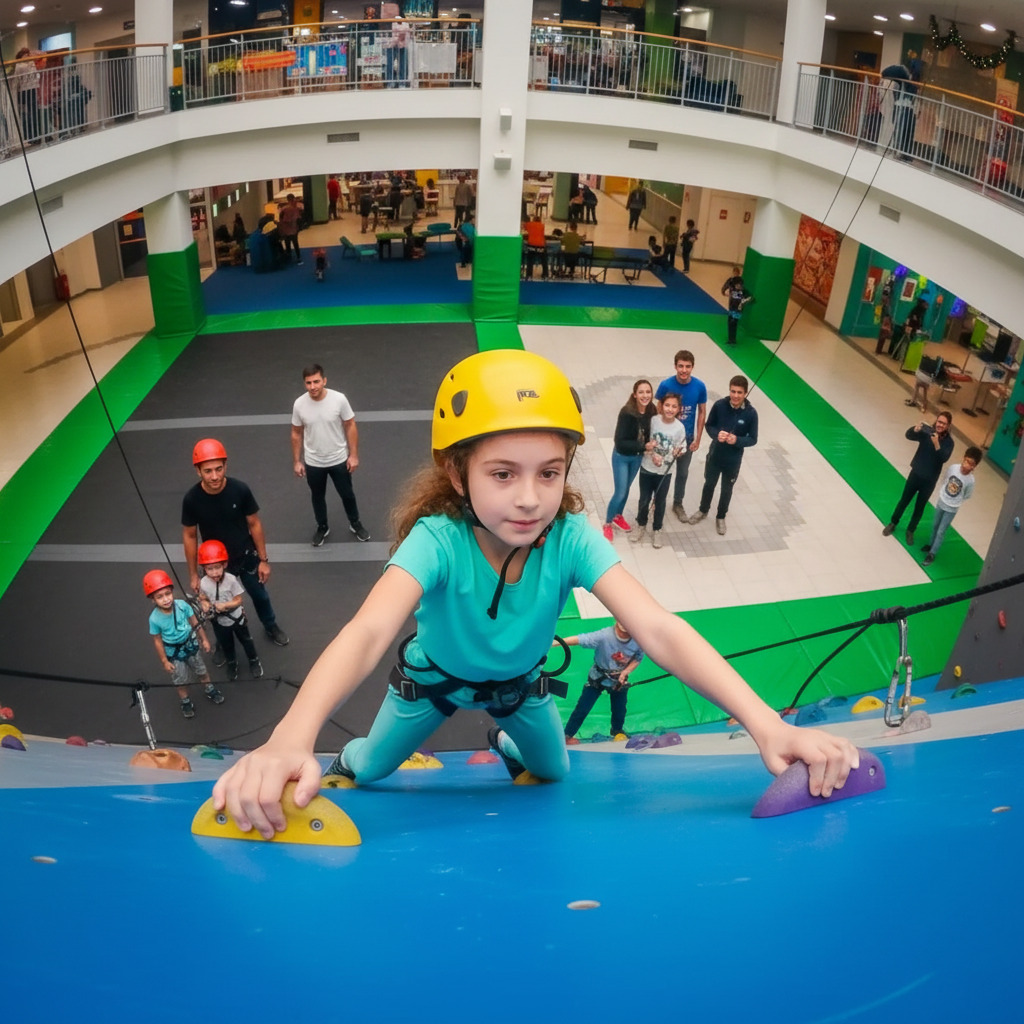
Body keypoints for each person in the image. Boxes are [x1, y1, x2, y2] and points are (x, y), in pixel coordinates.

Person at [211, 350, 857, 839]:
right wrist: (292, 738)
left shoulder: (570, 538)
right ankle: (351, 758)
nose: (529, 498)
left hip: (520, 691)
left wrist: (767, 725)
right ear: (454, 471)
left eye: (549, 473)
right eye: (502, 474)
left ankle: (504, 741)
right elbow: (368, 633)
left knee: (554, 770)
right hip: (430, 688)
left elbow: (658, 628)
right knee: (370, 767)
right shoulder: (437, 540)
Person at [182, 438, 290, 648]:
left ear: (225, 466)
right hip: (215, 564)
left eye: (218, 469)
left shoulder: (240, 490)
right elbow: (190, 536)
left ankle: (270, 625)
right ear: (198, 471)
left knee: (260, 596)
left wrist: (263, 560)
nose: (215, 476)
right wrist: (194, 574)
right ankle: (223, 643)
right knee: (214, 605)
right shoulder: (192, 499)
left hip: (245, 556)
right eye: (208, 471)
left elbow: (254, 523)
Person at [291, 364, 371, 547]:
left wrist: (354, 455)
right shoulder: (299, 404)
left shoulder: (339, 399)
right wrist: (296, 461)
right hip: (313, 462)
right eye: (309, 383)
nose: (313, 386)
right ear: (304, 384)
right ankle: (322, 527)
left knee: (347, 494)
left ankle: (355, 523)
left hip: (339, 459)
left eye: (316, 381)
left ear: (324, 381)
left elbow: (350, 425)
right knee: (317, 497)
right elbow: (296, 432)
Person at [143, 568, 222, 719]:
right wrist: (164, 661)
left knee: (201, 670)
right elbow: (157, 640)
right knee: (180, 680)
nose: (166, 599)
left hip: (190, 645)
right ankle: (185, 700)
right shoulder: (154, 619)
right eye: (160, 597)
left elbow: (195, 623)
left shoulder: (182, 606)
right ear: (153, 599)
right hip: (174, 653)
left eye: (168, 594)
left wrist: (204, 639)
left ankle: (209, 688)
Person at [689, 375, 758, 536]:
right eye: (733, 391)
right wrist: (716, 434)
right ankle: (703, 510)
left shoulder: (751, 414)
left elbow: (753, 439)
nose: (735, 395)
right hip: (715, 455)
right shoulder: (720, 405)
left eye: (739, 392)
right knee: (709, 484)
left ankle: (721, 516)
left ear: (746, 393)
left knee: (727, 489)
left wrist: (737, 440)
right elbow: (709, 425)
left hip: (733, 460)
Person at [563, 622, 644, 743]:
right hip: (597, 677)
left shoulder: (639, 640)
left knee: (620, 709)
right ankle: (567, 735)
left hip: (619, 680)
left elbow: (638, 658)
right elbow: (579, 639)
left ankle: (617, 730)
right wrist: (552, 643)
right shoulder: (604, 636)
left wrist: (626, 672)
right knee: (583, 708)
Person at [882, 411, 954, 546]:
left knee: (919, 507)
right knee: (904, 500)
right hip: (915, 474)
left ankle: (911, 530)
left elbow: (944, 458)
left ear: (948, 426)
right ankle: (893, 523)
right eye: (939, 422)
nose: (940, 425)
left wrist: (937, 444)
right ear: (936, 421)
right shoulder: (928, 432)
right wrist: (915, 430)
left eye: (944, 424)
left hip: (929, 481)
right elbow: (908, 435)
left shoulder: (949, 443)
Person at [197, 540, 263, 682]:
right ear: (204, 569)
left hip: (236, 618)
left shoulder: (231, 580)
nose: (214, 572)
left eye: (217, 567)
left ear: (225, 565)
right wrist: (204, 604)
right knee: (226, 644)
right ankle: (232, 663)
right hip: (219, 621)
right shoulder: (203, 583)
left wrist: (226, 605)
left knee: (246, 640)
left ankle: (254, 660)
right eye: (209, 569)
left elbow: (239, 600)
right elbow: (202, 597)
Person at [655, 350, 707, 524]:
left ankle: (678, 503)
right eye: (681, 366)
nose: (684, 370)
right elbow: (658, 408)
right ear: (675, 366)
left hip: (687, 439)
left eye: (688, 366)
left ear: (693, 367)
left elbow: (702, 412)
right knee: (662, 470)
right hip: (667, 439)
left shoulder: (699, 386)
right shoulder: (665, 385)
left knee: (682, 473)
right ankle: (657, 500)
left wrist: (698, 439)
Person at [630, 392, 687, 549]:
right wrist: (651, 453)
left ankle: (657, 528)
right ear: (661, 406)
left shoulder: (679, 428)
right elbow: (644, 440)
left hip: (665, 472)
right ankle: (641, 524)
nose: (670, 409)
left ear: (679, 409)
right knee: (644, 499)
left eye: (674, 406)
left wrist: (678, 452)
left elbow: (682, 447)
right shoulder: (653, 420)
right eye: (667, 405)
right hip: (647, 468)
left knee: (660, 501)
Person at [603, 378, 654, 541]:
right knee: (620, 492)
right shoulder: (627, 413)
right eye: (641, 392)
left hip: (637, 458)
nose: (645, 395)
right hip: (622, 457)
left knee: (626, 489)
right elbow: (619, 442)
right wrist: (644, 446)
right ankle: (607, 523)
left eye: (648, 392)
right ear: (634, 395)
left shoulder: (651, 410)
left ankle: (618, 516)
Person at [922, 447, 981, 567]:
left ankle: (932, 553)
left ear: (974, 466)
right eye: (966, 461)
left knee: (941, 531)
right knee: (935, 525)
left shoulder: (970, 481)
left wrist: (955, 501)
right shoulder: (953, 468)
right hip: (942, 501)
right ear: (963, 458)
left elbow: (967, 495)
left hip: (952, 508)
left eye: (971, 464)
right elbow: (945, 479)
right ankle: (931, 544)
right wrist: (944, 495)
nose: (966, 465)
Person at [721, 266, 754, 345]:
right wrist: (724, 292)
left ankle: (733, 339)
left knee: (734, 323)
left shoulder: (743, 290)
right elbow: (725, 287)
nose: (738, 286)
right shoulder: (731, 283)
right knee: (730, 323)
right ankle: (730, 339)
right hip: (732, 307)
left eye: (739, 285)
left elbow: (751, 298)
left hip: (738, 310)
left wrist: (744, 301)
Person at [278, 194, 302, 264]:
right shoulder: (297, 208)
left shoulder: (284, 209)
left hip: (286, 229)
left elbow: (281, 219)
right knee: (295, 243)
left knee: (287, 243)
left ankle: (289, 258)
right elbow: (299, 218)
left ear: (287, 199)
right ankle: (298, 258)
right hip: (294, 228)